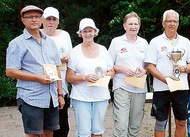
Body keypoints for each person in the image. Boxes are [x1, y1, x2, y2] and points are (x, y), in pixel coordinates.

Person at [5, 5, 65, 137]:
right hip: (30, 97)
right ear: (23, 20)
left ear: (41, 19)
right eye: (29, 17)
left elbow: (57, 68)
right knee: (33, 134)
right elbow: (10, 71)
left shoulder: (50, 42)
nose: (34, 19)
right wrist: (37, 78)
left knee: (49, 133)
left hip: (51, 97)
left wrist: (60, 94)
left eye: (37, 16)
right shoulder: (17, 43)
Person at [145, 9, 190, 137]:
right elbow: (150, 66)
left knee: (181, 122)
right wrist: (164, 79)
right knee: (160, 123)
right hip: (161, 89)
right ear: (163, 23)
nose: (172, 24)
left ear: (178, 24)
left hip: (181, 88)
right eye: (169, 21)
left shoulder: (185, 42)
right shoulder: (155, 42)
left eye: (175, 21)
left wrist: (183, 68)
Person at [66, 18, 115, 137]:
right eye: (85, 31)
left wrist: (104, 76)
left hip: (100, 97)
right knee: (84, 133)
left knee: (98, 131)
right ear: (80, 33)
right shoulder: (75, 52)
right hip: (81, 97)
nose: (88, 34)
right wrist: (84, 77)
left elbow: (112, 71)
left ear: (95, 32)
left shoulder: (103, 49)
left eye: (90, 31)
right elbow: (69, 77)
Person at [108, 11, 148, 137]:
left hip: (139, 88)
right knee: (121, 125)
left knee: (135, 126)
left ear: (139, 26)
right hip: (121, 87)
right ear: (124, 26)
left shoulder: (144, 43)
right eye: (130, 23)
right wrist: (121, 69)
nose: (133, 26)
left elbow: (149, 65)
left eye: (136, 24)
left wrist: (144, 70)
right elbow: (107, 64)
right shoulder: (116, 42)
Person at [41, 7, 73, 137]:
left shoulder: (65, 35)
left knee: (62, 126)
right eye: (48, 19)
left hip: (61, 87)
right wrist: (56, 60)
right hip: (42, 88)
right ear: (42, 20)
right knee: (44, 128)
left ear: (58, 21)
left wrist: (65, 59)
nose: (51, 22)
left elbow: (71, 57)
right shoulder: (37, 35)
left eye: (54, 19)